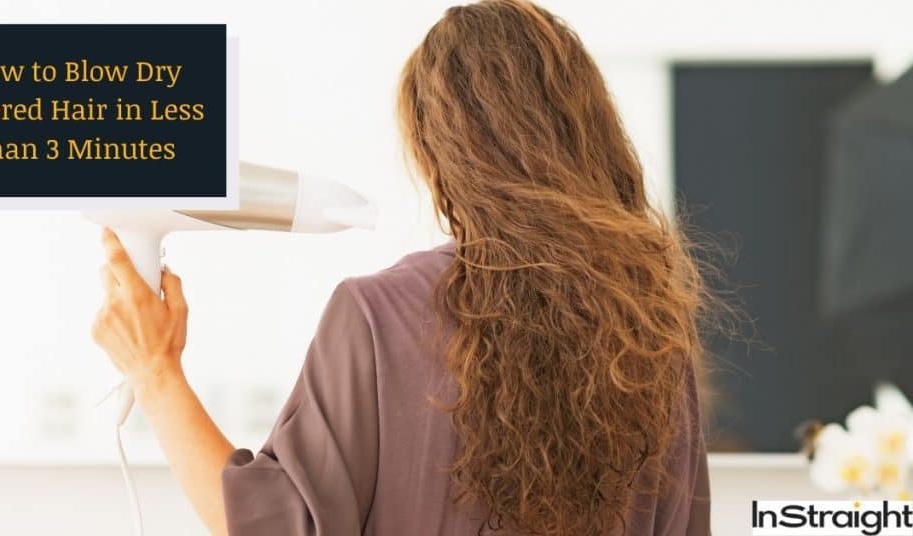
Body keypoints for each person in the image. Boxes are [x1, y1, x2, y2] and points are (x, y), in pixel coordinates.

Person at [91, 1, 712, 534]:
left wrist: (155, 370)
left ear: (438, 153)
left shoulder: (379, 319)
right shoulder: (652, 334)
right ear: (588, 130)